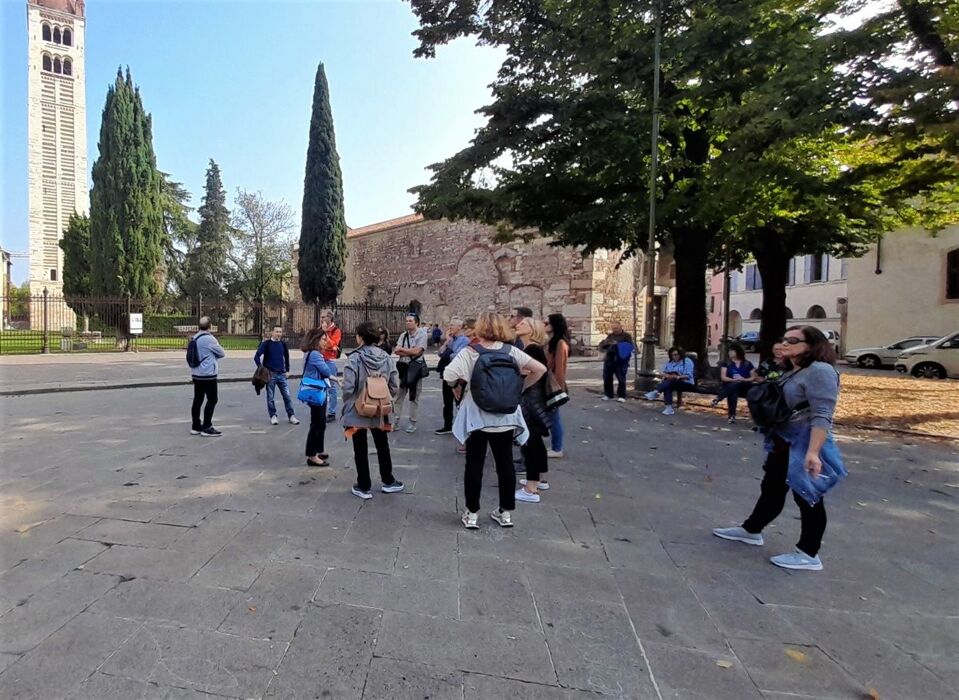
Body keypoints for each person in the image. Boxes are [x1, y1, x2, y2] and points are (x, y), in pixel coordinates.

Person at [713, 326, 843, 571]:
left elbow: (823, 414)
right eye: (783, 338)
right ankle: (752, 530)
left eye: (793, 340)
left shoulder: (820, 371)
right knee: (772, 488)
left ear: (812, 344)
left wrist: (813, 452)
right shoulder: (794, 369)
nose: (785, 343)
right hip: (783, 442)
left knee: (808, 496)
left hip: (805, 443)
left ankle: (808, 553)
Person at [444, 312, 546, 529]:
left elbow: (448, 375)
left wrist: (460, 384)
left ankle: (472, 513)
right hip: (506, 417)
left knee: (474, 464)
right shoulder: (512, 351)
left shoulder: (470, 352)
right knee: (505, 464)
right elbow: (540, 369)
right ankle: (505, 512)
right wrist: (521, 386)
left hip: (478, 418)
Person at [342, 321, 405, 499]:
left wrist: (350, 400)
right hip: (380, 408)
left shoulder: (354, 358)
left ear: (360, 338)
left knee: (359, 447)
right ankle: (388, 480)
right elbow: (394, 384)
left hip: (358, 408)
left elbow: (348, 387)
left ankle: (363, 485)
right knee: (382, 444)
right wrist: (383, 397)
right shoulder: (386, 357)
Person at [516, 320, 552, 503]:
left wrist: (524, 387)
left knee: (529, 440)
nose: (518, 324)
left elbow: (536, 372)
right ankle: (539, 478)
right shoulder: (533, 348)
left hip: (530, 401)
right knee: (535, 440)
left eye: (523, 323)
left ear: (532, 330)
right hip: (536, 400)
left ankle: (531, 488)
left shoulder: (532, 349)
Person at [300, 328, 334, 467]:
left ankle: (318, 450)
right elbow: (326, 371)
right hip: (317, 391)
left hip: (316, 389)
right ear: (316, 340)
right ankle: (312, 455)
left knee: (320, 422)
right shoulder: (315, 354)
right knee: (317, 423)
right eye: (324, 339)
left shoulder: (310, 353)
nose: (326, 342)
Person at [254, 326, 300, 426]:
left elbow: (286, 357)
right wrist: (261, 369)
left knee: (287, 396)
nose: (278, 334)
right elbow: (256, 356)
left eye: (280, 332)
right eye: (276, 332)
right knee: (270, 397)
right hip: (270, 375)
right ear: (272, 332)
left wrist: (287, 370)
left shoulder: (283, 344)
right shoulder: (266, 344)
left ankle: (291, 415)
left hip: (281, 374)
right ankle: (273, 415)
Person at [190, 316, 226, 436]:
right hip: (208, 374)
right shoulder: (210, 339)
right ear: (210, 326)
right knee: (212, 399)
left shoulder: (195, 337)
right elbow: (222, 353)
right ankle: (207, 426)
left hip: (196, 373)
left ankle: (195, 426)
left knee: (198, 399)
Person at [393, 313, 428, 433]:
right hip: (403, 367)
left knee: (414, 396)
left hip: (415, 368)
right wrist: (409, 351)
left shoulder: (422, 335)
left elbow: (418, 351)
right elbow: (396, 351)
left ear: (416, 322)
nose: (407, 322)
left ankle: (412, 422)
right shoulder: (403, 335)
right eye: (406, 320)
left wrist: (403, 350)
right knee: (399, 395)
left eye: (410, 321)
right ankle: (395, 420)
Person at [434, 317, 470, 435]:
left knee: (459, 401)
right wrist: (446, 342)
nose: (450, 328)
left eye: (452, 325)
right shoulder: (451, 340)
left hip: (458, 375)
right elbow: (440, 353)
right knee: (447, 401)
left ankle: (462, 426)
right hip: (447, 373)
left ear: (459, 327)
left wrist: (448, 352)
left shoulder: (464, 340)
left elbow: (457, 355)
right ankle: (447, 425)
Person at [710, 343, 757, 423]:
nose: (730, 353)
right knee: (733, 390)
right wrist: (733, 380)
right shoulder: (726, 363)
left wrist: (744, 379)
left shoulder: (747, 364)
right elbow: (723, 377)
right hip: (731, 385)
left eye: (732, 351)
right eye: (729, 351)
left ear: (738, 352)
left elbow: (753, 377)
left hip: (744, 386)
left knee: (735, 386)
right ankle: (732, 416)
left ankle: (718, 398)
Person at [545, 313, 570, 459]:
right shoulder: (553, 341)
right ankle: (556, 445)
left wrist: (558, 390)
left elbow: (560, 369)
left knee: (554, 416)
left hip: (553, 385)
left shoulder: (560, 343)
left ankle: (557, 447)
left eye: (547, 323)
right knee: (552, 416)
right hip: (551, 383)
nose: (545, 326)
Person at [598, 321, 634, 401]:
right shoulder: (610, 336)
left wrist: (617, 344)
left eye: (616, 328)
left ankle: (621, 395)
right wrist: (605, 343)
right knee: (607, 378)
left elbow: (629, 346)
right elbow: (603, 347)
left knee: (621, 379)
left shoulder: (626, 336)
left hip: (621, 361)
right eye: (613, 328)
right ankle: (608, 394)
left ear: (621, 327)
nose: (615, 330)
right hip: (609, 360)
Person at [320, 311, 342, 422]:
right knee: (320, 386)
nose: (321, 319)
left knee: (331, 387)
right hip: (320, 360)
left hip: (330, 361)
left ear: (329, 318)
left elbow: (332, 344)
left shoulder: (335, 331)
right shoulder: (320, 329)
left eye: (323, 317)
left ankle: (332, 412)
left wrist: (325, 334)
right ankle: (321, 410)